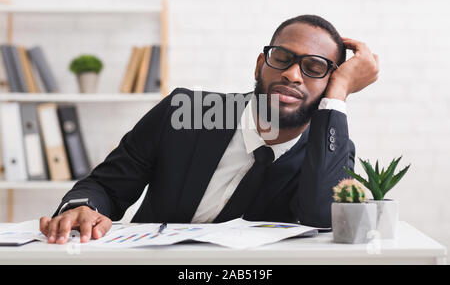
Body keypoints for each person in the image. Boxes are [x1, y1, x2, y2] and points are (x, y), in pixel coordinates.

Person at [39, 14, 379, 244]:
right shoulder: (184, 112)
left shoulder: (329, 151)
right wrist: (83, 209)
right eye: (282, 58)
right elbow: (106, 187)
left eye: (314, 68)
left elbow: (322, 218)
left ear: (330, 82)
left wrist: (338, 96)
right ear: (261, 65)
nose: (292, 74)